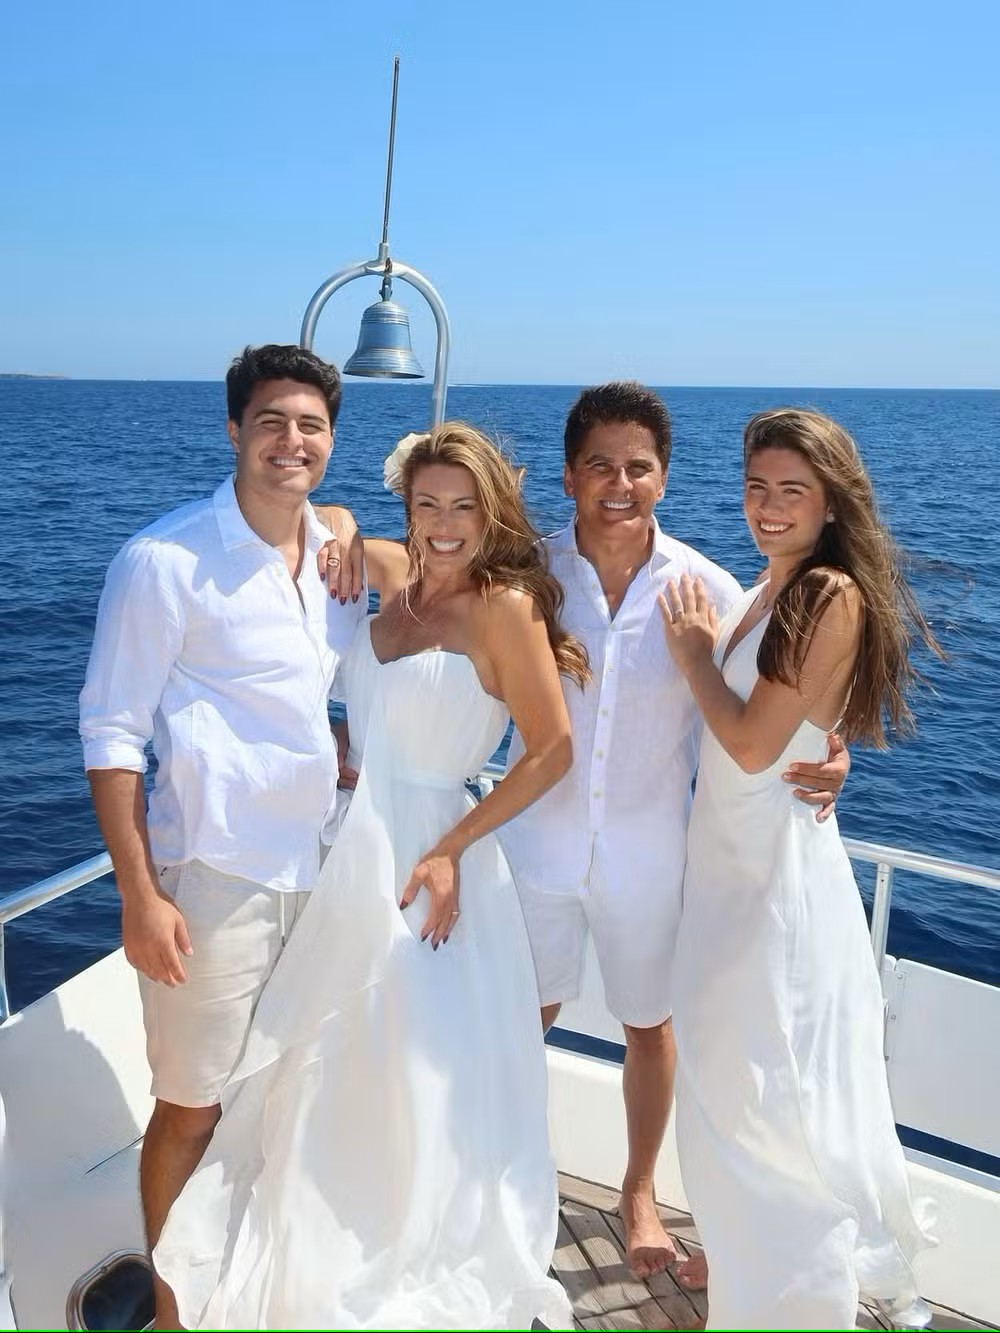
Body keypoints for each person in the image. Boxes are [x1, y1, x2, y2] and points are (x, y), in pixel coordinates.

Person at [318, 382, 849, 1287]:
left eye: (638, 467)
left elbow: (773, 696)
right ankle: (489, 1174)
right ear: (569, 475)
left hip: (653, 854)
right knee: (509, 1019)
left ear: (664, 477)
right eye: (600, 465)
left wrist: (834, 753)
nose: (619, 483)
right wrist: (334, 528)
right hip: (531, 848)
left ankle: (639, 1192)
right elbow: (403, 575)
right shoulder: (524, 574)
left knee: (649, 1026)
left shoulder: (707, 589)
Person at [153, 423, 582, 1329]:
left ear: (491, 512)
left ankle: (396, 1234)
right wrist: (346, 526)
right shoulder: (395, 575)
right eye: (427, 504)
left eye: (464, 506)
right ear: (409, 508)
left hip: (435, 857)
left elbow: (552, 751)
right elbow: (334, 523)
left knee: (413, 1059)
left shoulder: (504, 606)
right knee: (333, 1051)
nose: (445, 524)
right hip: (350, 845)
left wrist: (453, 846)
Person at [79, 344, 366, 1329]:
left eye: (311, 425)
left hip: (316, 870)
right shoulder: (164, 562)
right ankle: (171, 1313)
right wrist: (140, 894)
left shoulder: (331, 555)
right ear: (235, 429)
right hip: (211, 879)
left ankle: (244, 1289)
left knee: (280, 1103)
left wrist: (334, 743)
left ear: (331, 440)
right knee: (192, 1107)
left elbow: (302, 692)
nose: (293, 440)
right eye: (272, 421)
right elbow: (111, 734)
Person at [661, 407, 940, 1327]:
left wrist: (693, 655)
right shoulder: (768, 588)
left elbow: (748, 745)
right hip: (730, 870)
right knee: (737, 1091)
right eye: (756, 486)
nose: (768, 506)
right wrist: (828, 745)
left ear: (830, 503)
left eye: (792, 490)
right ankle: (748, 1266)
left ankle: (795, 1299)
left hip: (773, 885)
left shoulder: (825, 594)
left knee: (771, 1099)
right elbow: (794, 723)